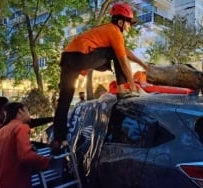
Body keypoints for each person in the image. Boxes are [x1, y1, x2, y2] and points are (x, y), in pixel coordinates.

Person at [52, 2, 148, 149]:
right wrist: (133, 85)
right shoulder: (114, 31)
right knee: (115, 52)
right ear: (121, 22)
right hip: (81, 56)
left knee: (64, 99)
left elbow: (125, 51)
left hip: (68, 57)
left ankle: (59, 139)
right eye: (129, 24)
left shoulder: (106, 31)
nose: (129, 27)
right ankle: (122, 91)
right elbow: (123, 61)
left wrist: (142, 64)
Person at [0, 102, 52, 188]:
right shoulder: (21, 127)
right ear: (20, 111)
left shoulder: (0, 131)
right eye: (27, 110)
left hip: (2, 182)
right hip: (17, 182)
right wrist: (46, 161)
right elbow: (26, 155)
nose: (29, 114)